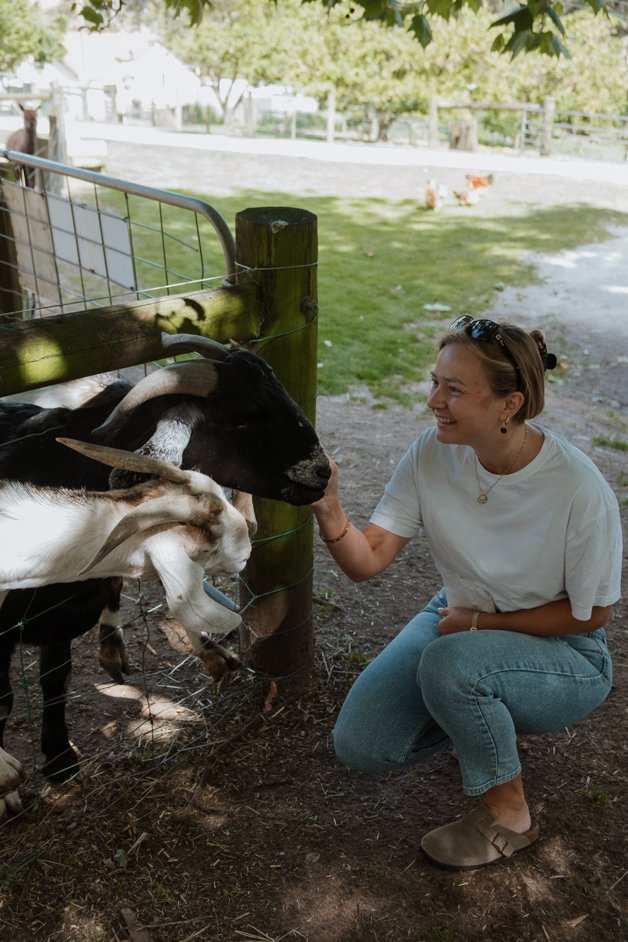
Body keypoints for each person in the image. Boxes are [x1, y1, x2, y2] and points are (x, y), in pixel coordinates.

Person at [311, 316, 622, 870]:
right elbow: (369, 559)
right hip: (463, 616)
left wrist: (481, 628)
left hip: (568, 653)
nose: (434, 400)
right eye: (435, 382)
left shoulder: (577, 487)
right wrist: (329, 507)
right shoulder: (432, 453)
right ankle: (479, 718)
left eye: (454, 390)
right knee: (362, 742)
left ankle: (510, 815)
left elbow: (591, 613)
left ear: (509, 404)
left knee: (451, 664)